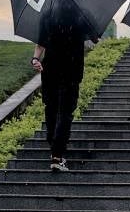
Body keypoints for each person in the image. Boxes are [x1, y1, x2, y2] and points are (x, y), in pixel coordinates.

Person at [31, 21, 90, 172]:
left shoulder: (48, 13)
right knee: (65, 111)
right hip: (71, 70)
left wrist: (35, 59)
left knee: (51, 108)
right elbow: (94, 37)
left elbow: (40, 42)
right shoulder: (81, 14)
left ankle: (54, 144)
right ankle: (57, 155)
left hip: (51, 69)